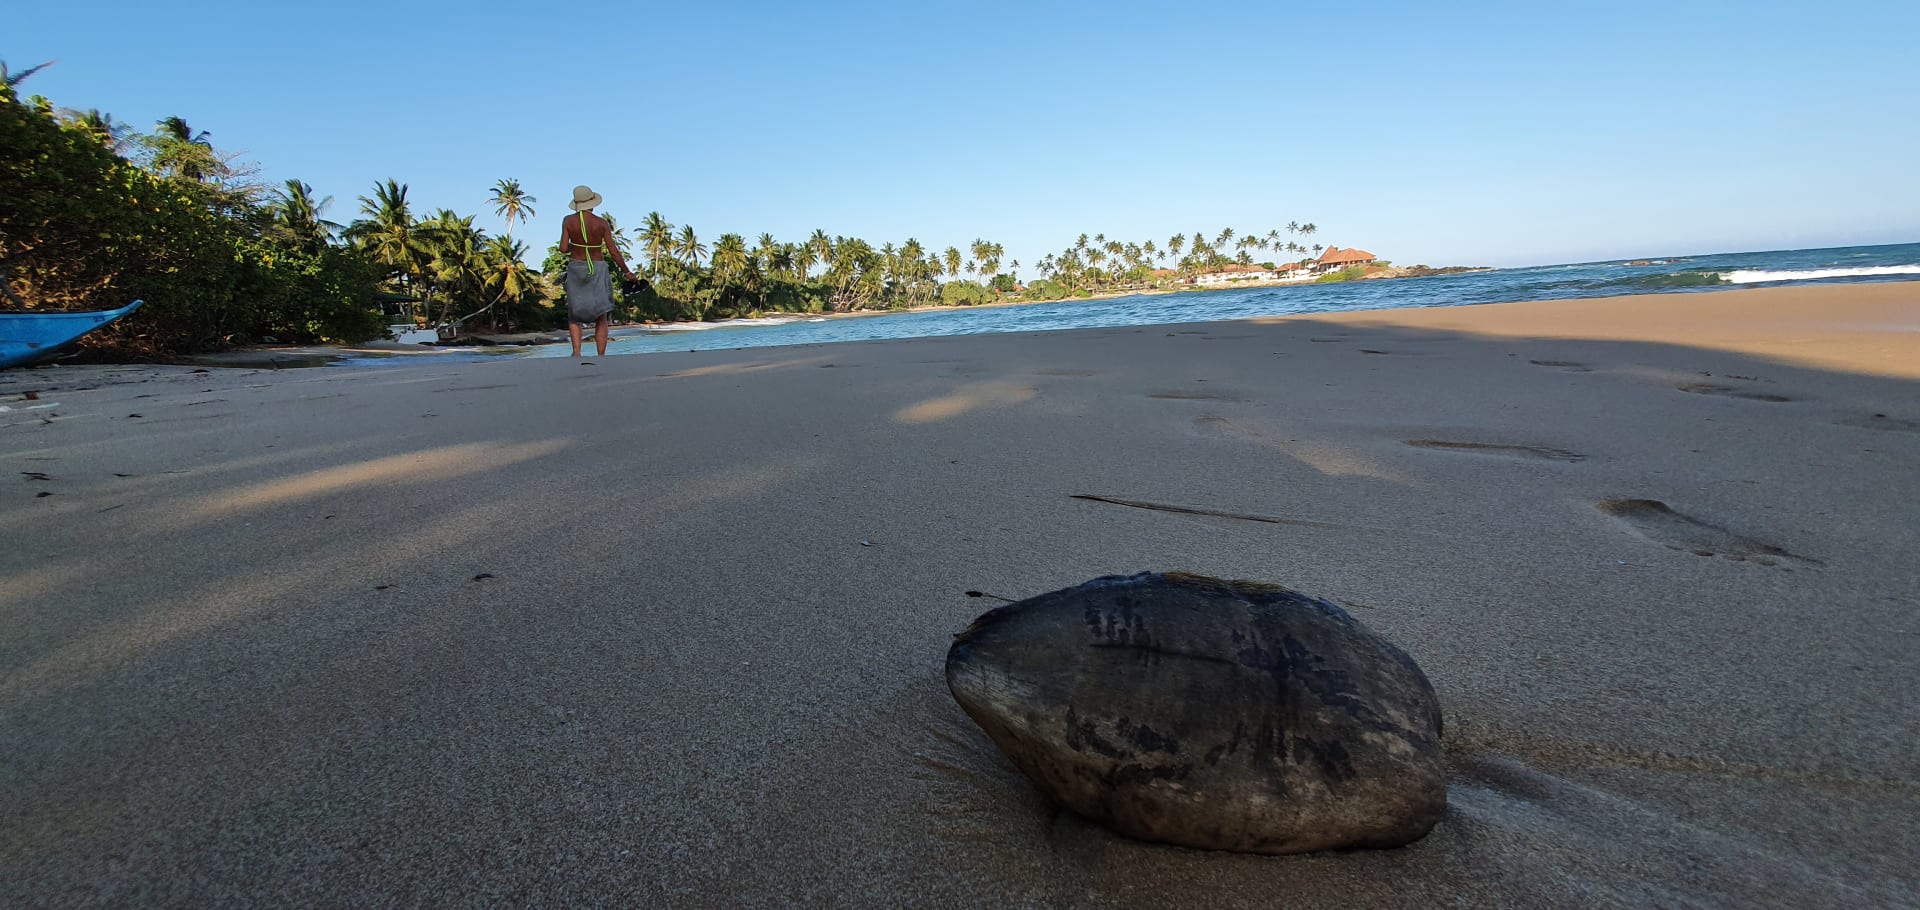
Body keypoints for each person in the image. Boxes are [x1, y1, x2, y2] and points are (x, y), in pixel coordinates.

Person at [559, 185, 637, 357]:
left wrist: (576, 246)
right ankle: (601, 355)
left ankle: (576, 352)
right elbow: (614, 251)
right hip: (597, 267)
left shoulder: (568, 221)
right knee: (601, 314)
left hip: (576, 267)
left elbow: (563, 248)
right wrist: (627, 272)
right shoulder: (601, 223)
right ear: (592, 203)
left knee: (574, 313)